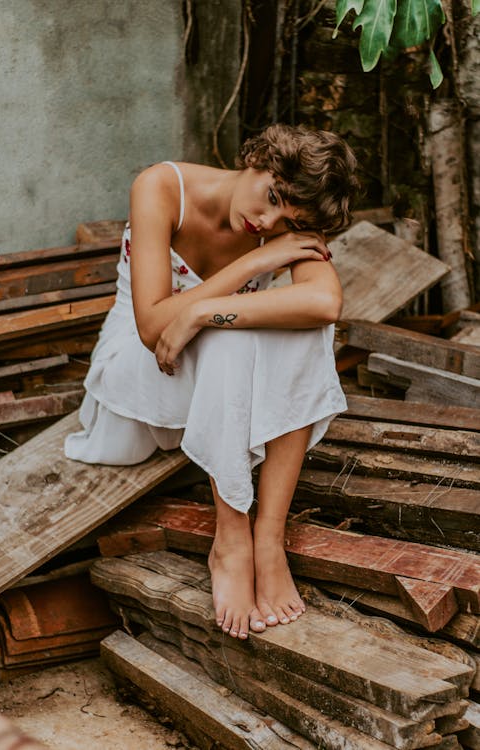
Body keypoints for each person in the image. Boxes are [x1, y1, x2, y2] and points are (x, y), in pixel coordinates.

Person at [65, 123, 359, 641]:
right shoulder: (161, 187)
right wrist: (258, 262)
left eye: (285, 221)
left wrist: (204, 313)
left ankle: (267, 538)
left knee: (292, 331)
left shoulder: (276, 226)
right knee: (236, 333)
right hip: (136, 380)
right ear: (258, 157)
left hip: (216, 397)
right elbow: (153, 327)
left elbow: (324, 304)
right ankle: (230, 539)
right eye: (271, 196)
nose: (265, 221)